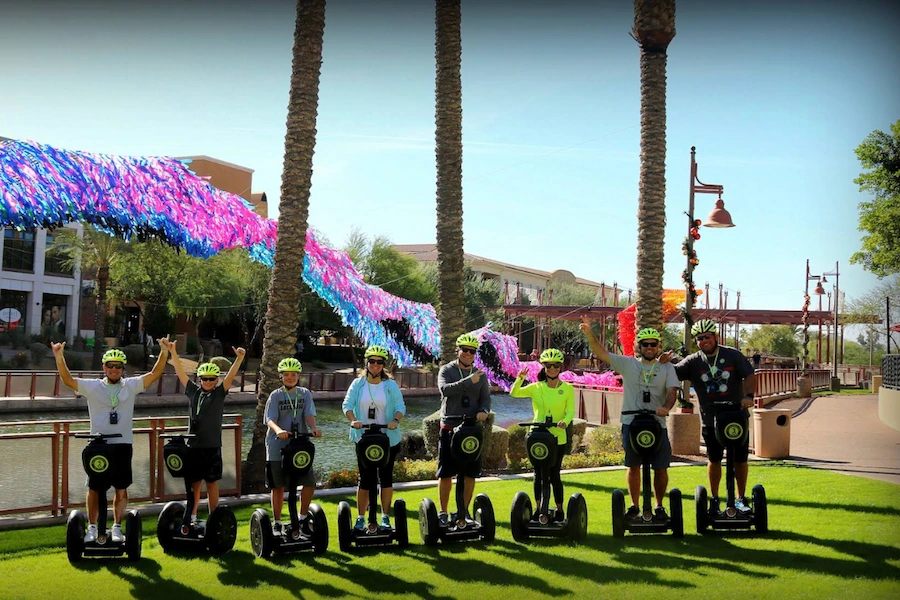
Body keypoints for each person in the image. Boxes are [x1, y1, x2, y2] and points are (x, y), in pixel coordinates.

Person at [53, 339, 170, 543]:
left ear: (123, 369)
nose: (114, 370)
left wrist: (164, 351)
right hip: (98, 445)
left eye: (118, 366)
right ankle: (91, 527)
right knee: (94, 488)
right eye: (110, 366)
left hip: (123, 444)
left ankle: (116, 527)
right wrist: (59, 356)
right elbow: (68, 380)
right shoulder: (93, 387)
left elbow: (154, 375)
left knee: (121, 487)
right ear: (104, 367)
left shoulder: (131, 386)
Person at [581, 319, 678, 518]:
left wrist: (666, 407)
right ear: (639, 346)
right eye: (645, 344)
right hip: (631, 423)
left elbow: (672, 392)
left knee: (660, 467)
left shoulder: (667, 368)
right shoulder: (628, 364)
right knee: (633, 465)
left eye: (653, 344)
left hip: (657, 423)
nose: (649, 347)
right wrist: (590, 333)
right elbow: (602, 354)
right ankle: (635, 505)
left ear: (658, 346)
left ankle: (659, 506)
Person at [671, 320, 756, 515]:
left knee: (740, 459)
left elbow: (750, 375)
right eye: (699, 339)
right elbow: (673, 373)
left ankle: (741, 498)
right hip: (711, 418)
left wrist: (749, 396)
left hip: (736, 415)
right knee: (714, 458)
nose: (704, 341)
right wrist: (665, 363)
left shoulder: (732, 355)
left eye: (707, 337)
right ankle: (715, 499)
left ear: (715, 336)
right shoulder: (693, 361)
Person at [166, 341, 246, 525]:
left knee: (211, 483)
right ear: (199, 379)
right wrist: (173, 353)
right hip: (193, 446)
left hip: (212, 446)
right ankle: (191, 517)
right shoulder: (194, 392)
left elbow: (231, 375)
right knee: (194, 484)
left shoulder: (219, 393)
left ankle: (214, 517)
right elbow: (180, 372)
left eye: (212, 379)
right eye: (204, 379)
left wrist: (239, 358)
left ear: (216, 380)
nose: (208, 382)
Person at [342, 345, 406, 532]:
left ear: (383, 365)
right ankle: (361, 518)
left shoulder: (390, 385)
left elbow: (401, 406)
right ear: (366, 363)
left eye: (379, 362)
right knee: (365, 479)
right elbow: (347, 404)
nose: (376, 365)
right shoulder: (358, 384)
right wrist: (353, 420)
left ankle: (385, 517)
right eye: (372, 361)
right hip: (364, 438)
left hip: (387, 438)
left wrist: (395, 420)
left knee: (385, 478)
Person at [509, 348, 575, 523]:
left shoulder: (567, 389)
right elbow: (514, 393)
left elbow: (570, 411)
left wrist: (564, 422)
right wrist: (520, 378)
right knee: (538, 474)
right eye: (548, 366)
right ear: (544, 367)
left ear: (560, 367)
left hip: (557, 437)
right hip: (537, 436)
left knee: (554, 474)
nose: (552, 369)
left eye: (555, 366)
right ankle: (539, 510)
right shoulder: (536, 388)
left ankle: (559, 510)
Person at [436, 333, 492, 527]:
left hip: (471, 430)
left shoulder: (480, 375)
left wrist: (484, 411)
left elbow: (485, 399)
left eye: (472, 351)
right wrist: (469, 381)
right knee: (446, 473)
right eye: (465, 350)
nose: (468, 354)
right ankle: (443, 512)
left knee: (469, 472)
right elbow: (445, 390)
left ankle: (465, 512)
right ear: (457, 351)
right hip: (450, 427)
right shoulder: (446, 370)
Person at [264, 357, 321, 535]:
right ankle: (278, 522)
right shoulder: (275, 395)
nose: (290, 378)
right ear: (280, 376)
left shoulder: (304, 394)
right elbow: (269, 419)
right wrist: (279, 430)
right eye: (286, 375)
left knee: (309, 482)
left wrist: (313, 428)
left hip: (299, 446)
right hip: (277, 446)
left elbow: (309, 414)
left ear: (298, 376)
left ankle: (302, 518)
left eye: (294, 375)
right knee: (278, 486)